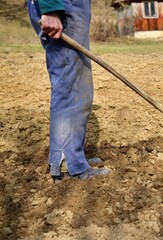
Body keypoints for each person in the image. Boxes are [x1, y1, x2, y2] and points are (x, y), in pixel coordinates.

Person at [27, 0, 110, 180]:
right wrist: (50, 8)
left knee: (79, 85)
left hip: (68, 6)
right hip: (62, 6)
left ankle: (73, 155)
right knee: (69, 82)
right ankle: (68, 164)